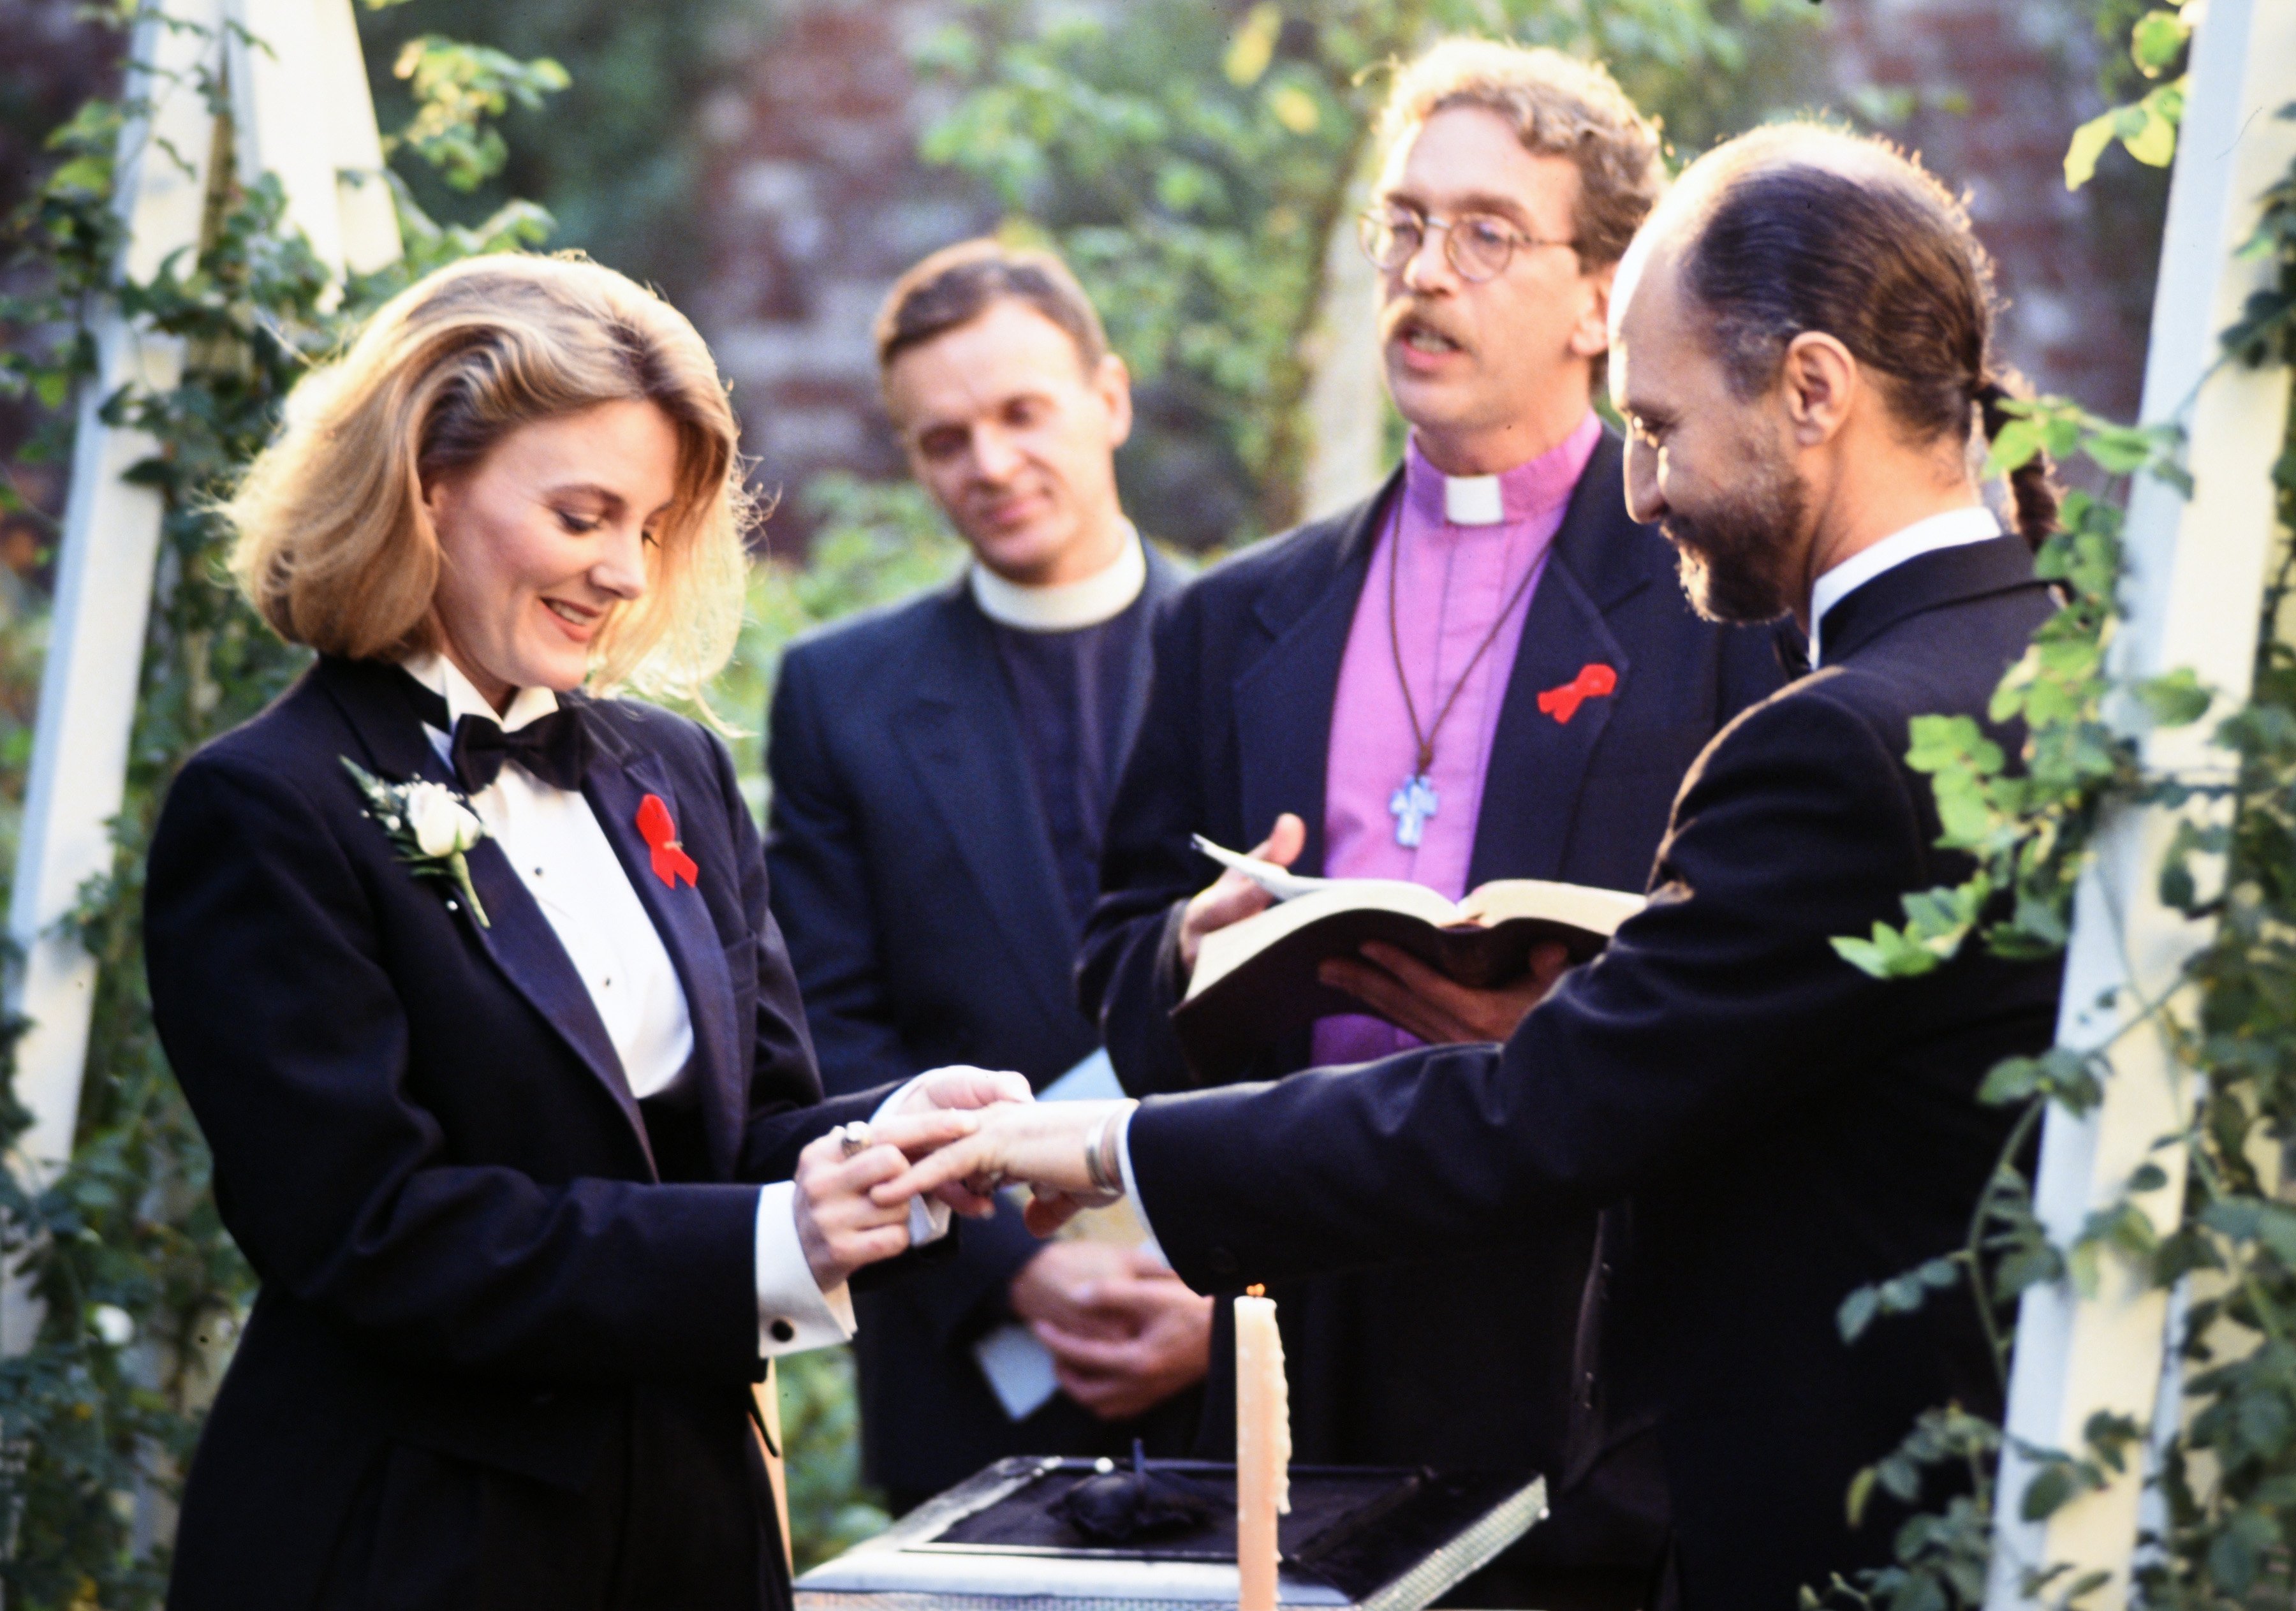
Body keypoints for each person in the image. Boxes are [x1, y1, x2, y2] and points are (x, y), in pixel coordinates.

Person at [883, 122, 2069, 1608]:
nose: (1644, 490)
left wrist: (1112, 1149)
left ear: (1814, 389)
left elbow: (1542, 1115)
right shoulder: (2059, 659)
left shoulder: (1833, 738)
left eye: (1665, 426)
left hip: (1812, 1512)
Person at [144, 254, 1022, 1611]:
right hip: (415, 1542)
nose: (623, 570)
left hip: (693, 1530)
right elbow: (379, 1235)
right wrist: (772, 1243)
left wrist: (887, 1143)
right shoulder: (264, 810)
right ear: (426, 486)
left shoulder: (671, 770)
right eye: (582, 515)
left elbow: (751, 1132)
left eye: (654, 526)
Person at [1075, 39, 1782, 1592]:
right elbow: (1112, 962)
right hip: (1305, 1303)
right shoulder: (1242, 616)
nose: (1424, 274)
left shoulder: (1719, 606)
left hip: (1584, 1309)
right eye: (1401, 225)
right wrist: (1187, 950)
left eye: (1484, 234)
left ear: (1603, 298)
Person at [765, 240, 1208, 1512]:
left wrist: (1226, 1287)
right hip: (975, 1377)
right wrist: (1011, 1270)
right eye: (946, 438)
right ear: (912, 458)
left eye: (1024, 413)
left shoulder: (1263, 643)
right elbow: (825, 1031)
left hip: (1256, 1338)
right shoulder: (839, 697)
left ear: (1108, 399)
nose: (992, 463)